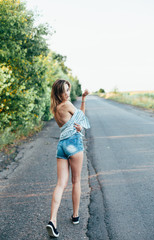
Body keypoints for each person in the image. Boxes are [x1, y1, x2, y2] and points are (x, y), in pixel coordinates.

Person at [46, 79, 90, 238]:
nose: (67, 93)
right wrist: (84, 100)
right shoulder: (67, 104)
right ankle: (75, 216)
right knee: (76, 181)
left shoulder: (56, 108)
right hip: (73, 144)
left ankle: (53, 220)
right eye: (64, 91)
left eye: (68, 90)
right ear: (58, 93)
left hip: (61, 146)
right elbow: (83, 119)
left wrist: (77, 122)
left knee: (60, 184)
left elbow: (75, 120)